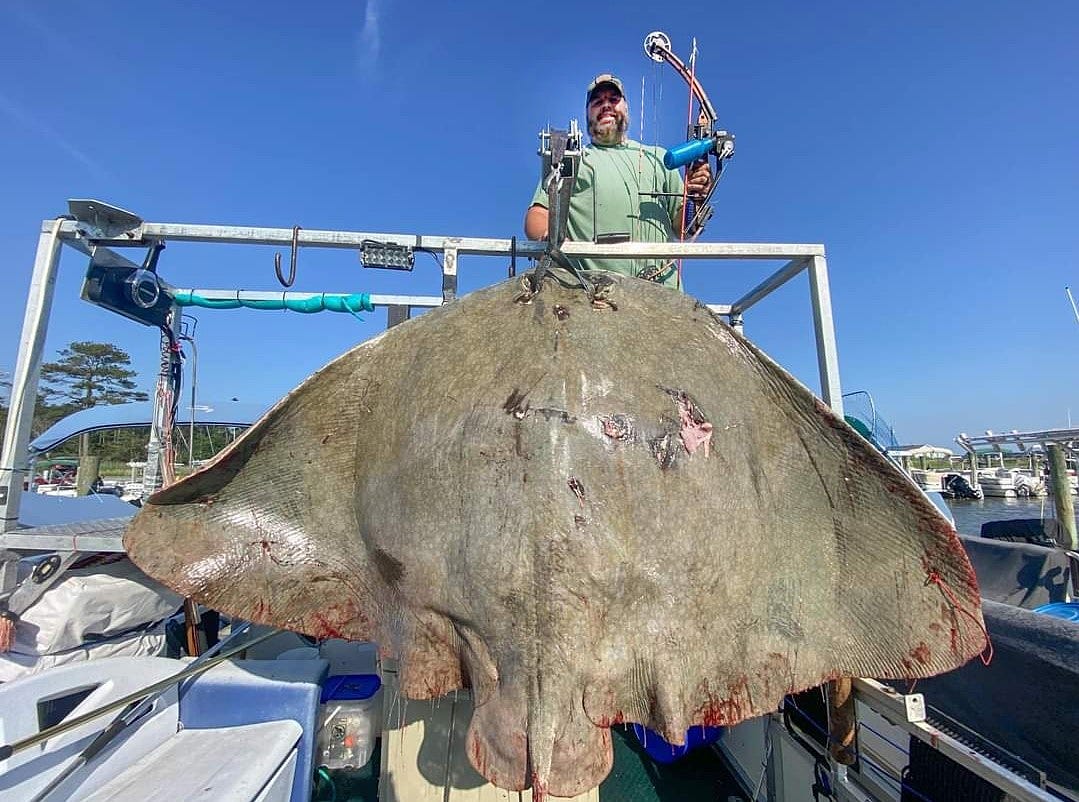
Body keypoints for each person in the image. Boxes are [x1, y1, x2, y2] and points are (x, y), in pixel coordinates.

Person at [524, 73, 712, 289]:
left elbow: (683, 229)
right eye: (597, 102)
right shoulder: (572, 160)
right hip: (591, 296)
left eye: (613, 99)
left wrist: (696, 196)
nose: (606, 105)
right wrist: (547, 237)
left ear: (626, 108)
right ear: (587, 114)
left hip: (662, 295)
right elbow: (538, 213)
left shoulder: (660, 158)